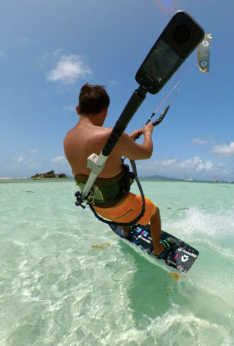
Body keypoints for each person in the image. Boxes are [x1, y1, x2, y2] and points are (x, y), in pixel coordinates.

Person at [64, 83, 175, 257]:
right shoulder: (110, 135)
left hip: (97, 206)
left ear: (78, 109)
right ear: (105, 111)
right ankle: (158, 248)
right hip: (119, 206)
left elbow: (103, 160)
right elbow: (146, 153)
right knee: (154, 212)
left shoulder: (67, 139)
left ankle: (125, 230)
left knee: (113, 191)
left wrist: (128, 139)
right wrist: (148, 133)